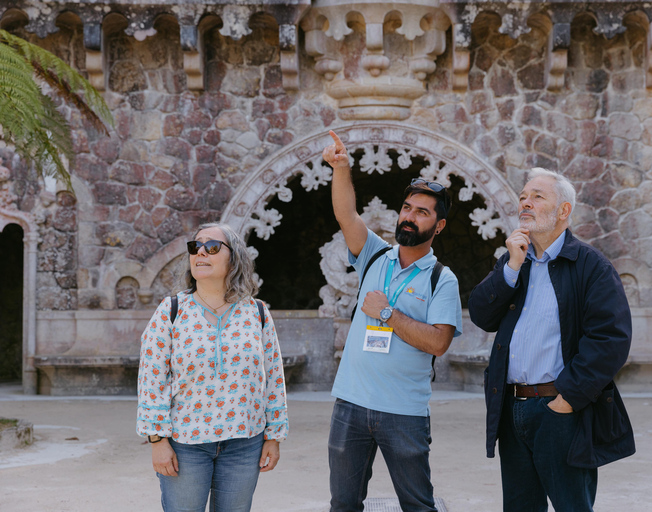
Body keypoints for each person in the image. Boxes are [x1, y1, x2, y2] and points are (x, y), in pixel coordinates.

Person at [468, 168, 635, 512]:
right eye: (523, 196)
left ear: (563, 211)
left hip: (560, 412)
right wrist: (511, 268)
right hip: (512, 411)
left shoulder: (590, 265)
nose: (525, 203)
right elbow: (481, 315)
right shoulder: (514, 261)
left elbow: (610, 339)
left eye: (537, 196)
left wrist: (567, 400)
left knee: (572, 506)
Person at [322, 130, 463, 512]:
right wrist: (340, 168)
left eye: (422, 212)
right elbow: (346, 214)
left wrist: (386, 313)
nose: (410, 217)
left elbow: (438, 343)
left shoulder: (441, 279)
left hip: (404, 411)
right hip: (350, 404)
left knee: (418, 505)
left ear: (439, 226)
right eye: (407, 208)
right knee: (343, 505)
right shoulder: (373, 253)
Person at [137, 222, 288, 512]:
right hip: (185, 443)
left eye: (213, 247)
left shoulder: (256, 312)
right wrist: (157, 440)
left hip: (245, 443)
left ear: (234, 258)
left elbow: (273, 377)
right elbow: (151, 379)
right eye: (196, 247)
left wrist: (275, 436)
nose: (201, 253)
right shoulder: (171, 311)